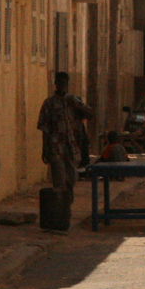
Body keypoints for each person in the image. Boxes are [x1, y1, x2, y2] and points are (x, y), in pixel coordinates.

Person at [37, 71, 95, 202]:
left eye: (64, 83)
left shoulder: (73, 100)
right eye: (60, 83)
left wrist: (76, 105)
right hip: (55, 145)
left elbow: (90, 114)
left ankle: (67, 203)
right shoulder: (49, 104)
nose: (62, 85)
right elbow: (45, 128)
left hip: (71, 145)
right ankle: (60, 206)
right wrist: (45, 148)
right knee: (59, 179)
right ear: (55, 84)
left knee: (71, 178)